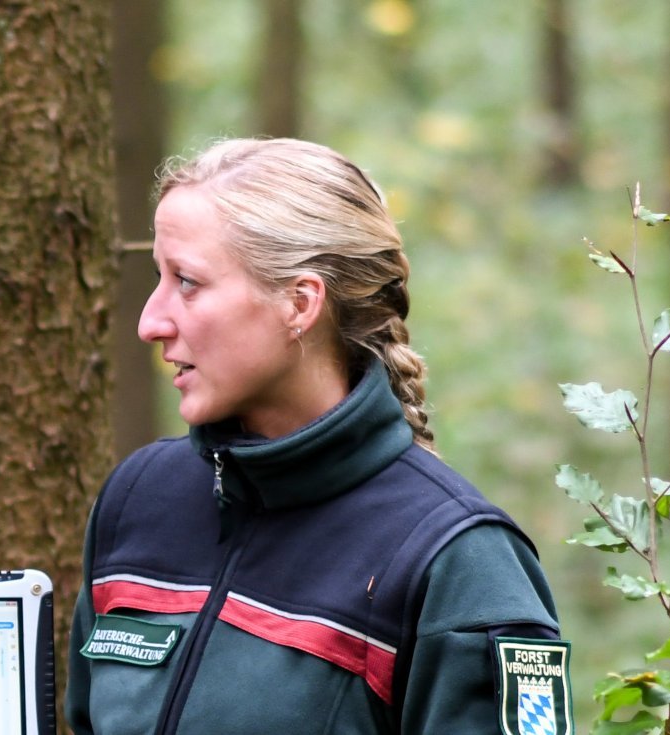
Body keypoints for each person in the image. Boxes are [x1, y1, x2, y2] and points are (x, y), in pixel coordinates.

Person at [74, 138, 570, 735]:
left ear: (299, 303)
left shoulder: (460, 562)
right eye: (159, 276)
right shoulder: (140, 500)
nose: (150, 322)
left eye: (188, 281)